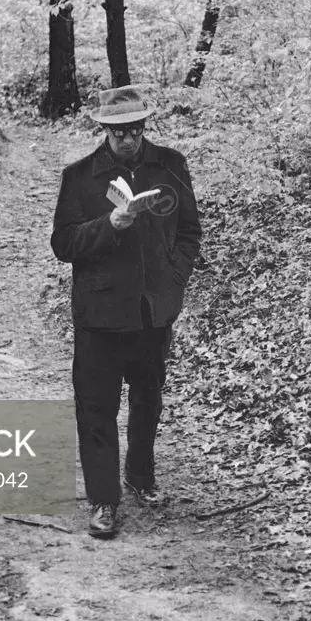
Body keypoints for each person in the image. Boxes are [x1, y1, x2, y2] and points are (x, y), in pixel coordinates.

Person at [51, 85, 202, 539]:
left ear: (144, 127)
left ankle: (140, 475)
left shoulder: (171, 166)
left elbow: (190, 230)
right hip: (99, 314)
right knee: (96, 407)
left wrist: (174, 279)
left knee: (147, 399)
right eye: (118, 132)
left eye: (135, 130)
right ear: (104, 130)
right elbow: (63, 243)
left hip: (153, 311)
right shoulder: (80, 176)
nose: (128, 139)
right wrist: (108, 226)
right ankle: (103, 499)